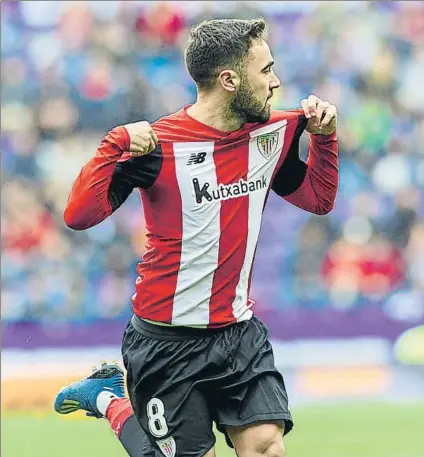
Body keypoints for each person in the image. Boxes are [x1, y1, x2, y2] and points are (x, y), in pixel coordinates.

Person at [57, 17, 339, 457]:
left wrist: (324, 138)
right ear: (229, 79)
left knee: (268, 449)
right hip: (166, 341)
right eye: (265, 71)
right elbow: (77, 216)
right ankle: (110, 399)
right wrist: (114, 144)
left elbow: (319, 200)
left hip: (237, 334)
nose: (276, 81)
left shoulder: (274, 134)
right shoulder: (159, 146)